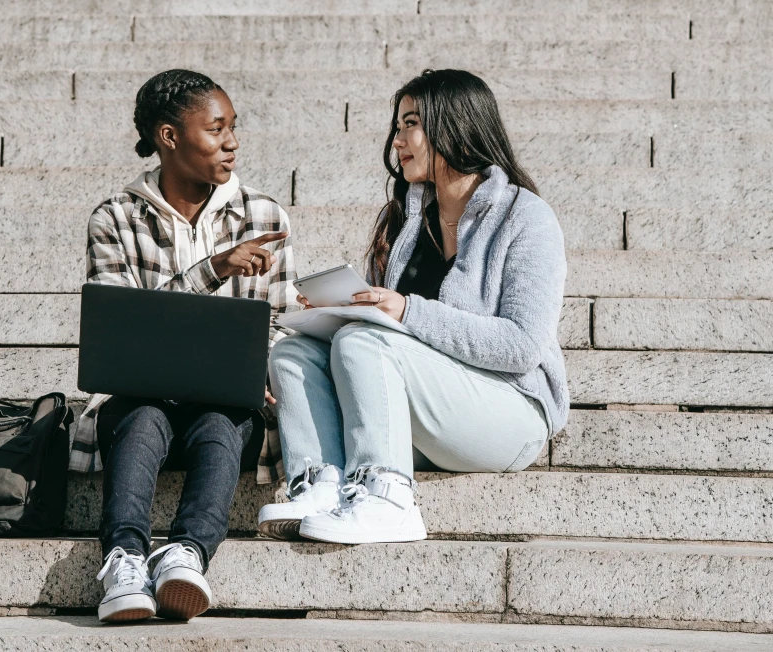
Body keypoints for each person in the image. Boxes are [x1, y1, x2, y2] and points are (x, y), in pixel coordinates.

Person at [258, 69, 569, 545]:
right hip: (429, 411)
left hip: (512, 411)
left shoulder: (524, 216)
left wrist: (405, 310)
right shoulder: (406, 219)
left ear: (454, 126)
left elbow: (523, 346)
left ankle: (389, 501)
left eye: (411, 124)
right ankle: (321, 485)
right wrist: (345, 307)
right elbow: (392, 338)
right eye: (397, 126)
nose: (397, 140)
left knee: (364, 341)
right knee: (293, 353)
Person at [71, 69, 295, 623]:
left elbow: (282, 321)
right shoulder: (116, 220)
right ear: (170, 137)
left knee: (223, 420)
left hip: (221, 410)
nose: (232, 142)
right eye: (216, 129)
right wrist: (213, 269)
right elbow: (122, 332)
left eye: (233, 128)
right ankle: (123, 560)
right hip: (136, 410)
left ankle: (187, 555)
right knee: (142, 414)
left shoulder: (264, 217)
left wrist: (269, 373)